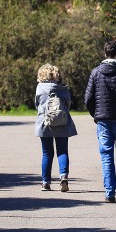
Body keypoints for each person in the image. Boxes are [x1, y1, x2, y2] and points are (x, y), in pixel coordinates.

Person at [84, 40, 116, 203]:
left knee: (106, 155)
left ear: (105, 53)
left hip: (103, 121)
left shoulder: (95, 73)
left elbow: (88, 98)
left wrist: (96, 114)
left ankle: (109, 192)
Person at [35, 63, 77, 192]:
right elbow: (68, 103)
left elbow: (37, 105)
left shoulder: (40, 88)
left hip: (45, 123)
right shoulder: (62, 88)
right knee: (62, 151)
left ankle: (45, 183)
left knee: (47, 153)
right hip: (62, 122)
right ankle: (63, 176)